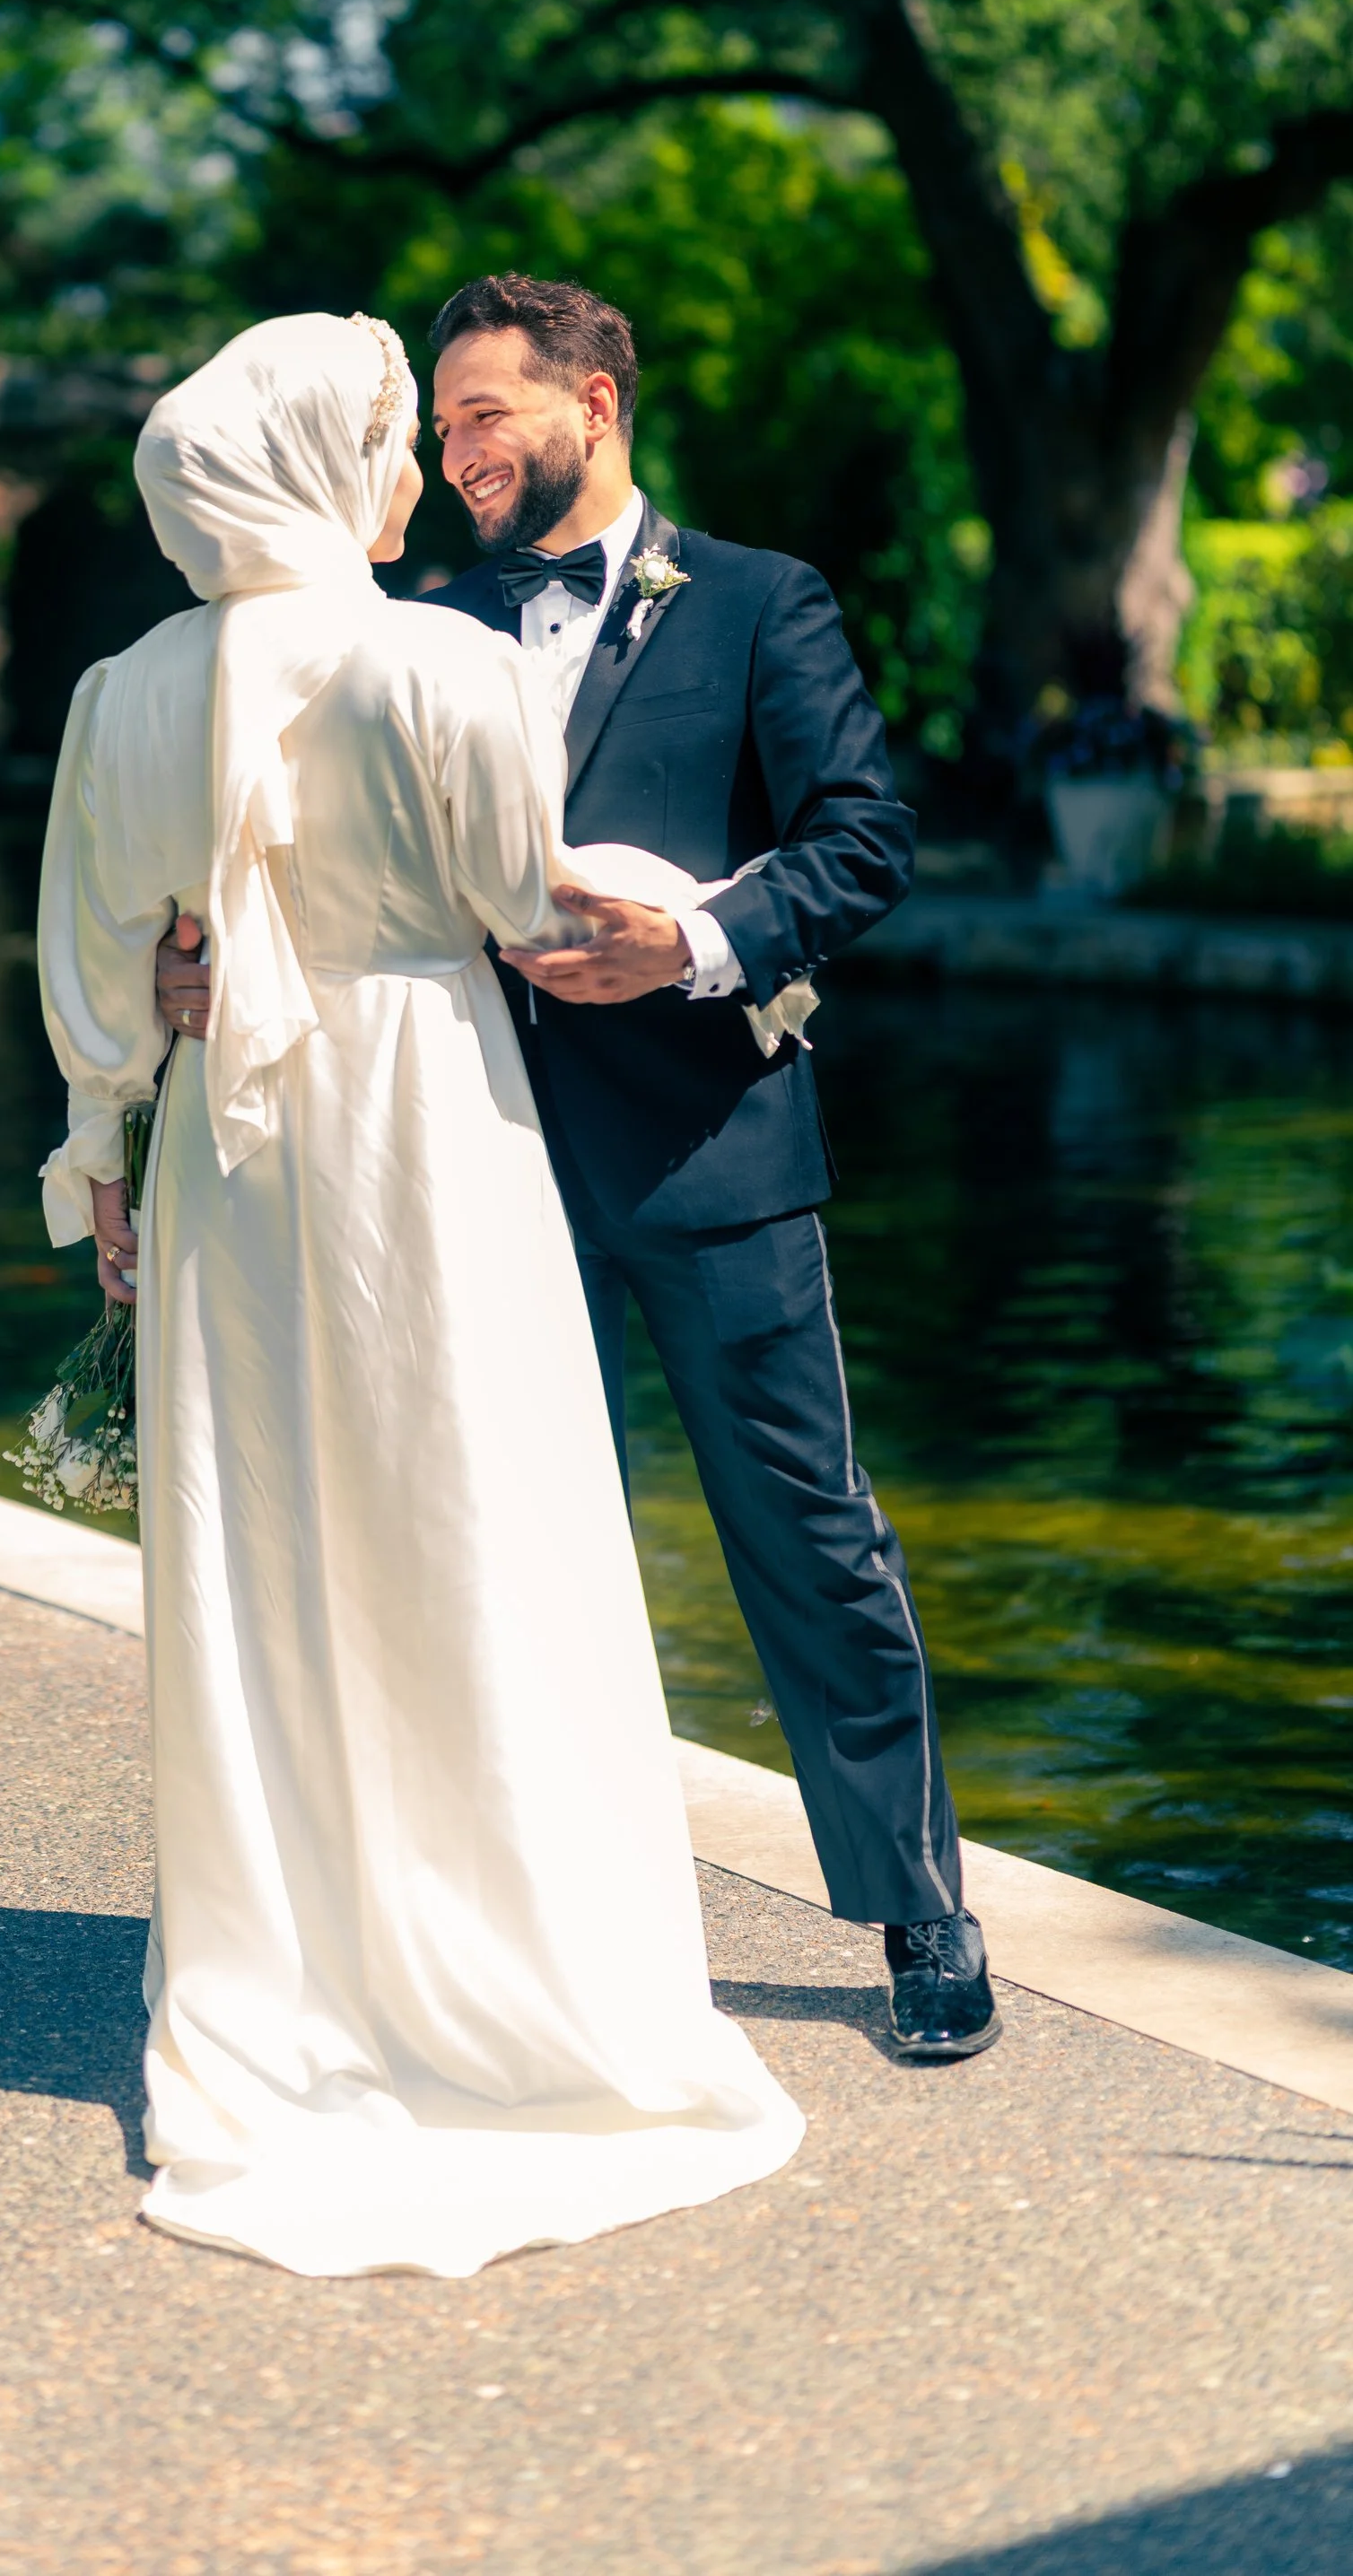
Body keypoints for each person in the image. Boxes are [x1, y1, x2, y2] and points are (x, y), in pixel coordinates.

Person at [36, 310, 804, 2281]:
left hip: (229, 1152)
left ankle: (297, 1965)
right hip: (427, 1133)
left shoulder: (124, 692)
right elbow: (527, 905)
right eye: (391, 438)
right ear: (317, 460)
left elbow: (93, 984)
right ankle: (520, 1971)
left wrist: (106, 1153)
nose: (407, 475)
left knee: (262, 1556)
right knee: (475, 1525)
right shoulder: (435, 661)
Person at [165, 271, 994, 2065]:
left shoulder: (762, 604)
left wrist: (690, 947)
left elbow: (863, 840)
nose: (448, 452)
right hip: (455, 1169)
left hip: (711, 1152)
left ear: (591, 409)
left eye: (481, 417)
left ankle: (916, 1908)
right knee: (485, 1549)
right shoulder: (388, 625)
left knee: (804, 1535)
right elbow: (296, 861)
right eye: (436, 423)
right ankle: (517, 1943)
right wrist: (198, 965)